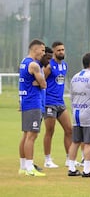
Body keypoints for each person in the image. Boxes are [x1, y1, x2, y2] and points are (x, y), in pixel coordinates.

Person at [18, 39, 47, 176]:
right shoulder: (34, 65)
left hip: (25, 101)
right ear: (35, 49)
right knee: (32, 136)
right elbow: (43, 84)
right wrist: (40, 81)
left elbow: (34, 82)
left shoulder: (24, 62)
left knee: (26, 135)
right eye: (42, 50)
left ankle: (23, 166)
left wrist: (38, 82)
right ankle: (30, 168)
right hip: (33, 102)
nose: (44, 53)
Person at [43, 41, 73, 168]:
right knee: (50, 130)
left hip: (60, 102)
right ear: (54, 52)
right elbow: (41, 81)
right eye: (58, 50)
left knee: (69, 130)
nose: (61, 52)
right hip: (49, 102)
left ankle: (69, 159)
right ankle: (47, 159)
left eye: (63, 49)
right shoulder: (49, 66)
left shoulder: (65, 65)